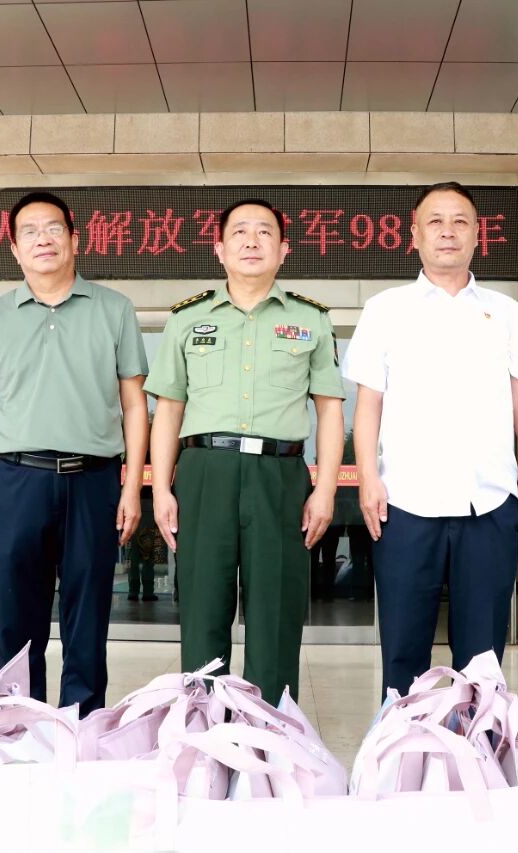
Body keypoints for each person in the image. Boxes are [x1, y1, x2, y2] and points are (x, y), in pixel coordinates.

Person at [343, 181, 518, 700]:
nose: (448, 231)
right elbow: (368, 404)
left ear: (478, 235)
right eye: (435, 221)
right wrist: (367, 478)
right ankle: (401, 746)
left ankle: (477, 743)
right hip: (404, 504)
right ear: (414, 235)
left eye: (460, 221)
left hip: (490, 501)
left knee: (483, 658)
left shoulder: (507, 312)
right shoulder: (385, 309)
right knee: (403, 652)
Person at [146, 198, 345, 705]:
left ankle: (269, 731)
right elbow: (168, 410)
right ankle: (201, 728)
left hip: (279, 474)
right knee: (202, 609)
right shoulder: (187, 319)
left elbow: (329, 410)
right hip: (204, 471)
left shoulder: (311, 320)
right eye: (239, 232)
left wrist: (324, 489)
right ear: (219, 249)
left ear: (284, 250)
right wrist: (161, 488)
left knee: (275, 613)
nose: (251, 241)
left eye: (264, 232)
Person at [0, 191, 148, 711]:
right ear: (14, 249)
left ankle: (82, 723)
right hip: (17, 480)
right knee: (17, 620)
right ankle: (18, 724)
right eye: (29, 232)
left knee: (87, 616)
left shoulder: (114, 309)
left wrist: (131, 487)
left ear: (74, 238)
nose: (42, 239)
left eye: (52, 228)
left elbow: (135, 405)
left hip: (93, 480)